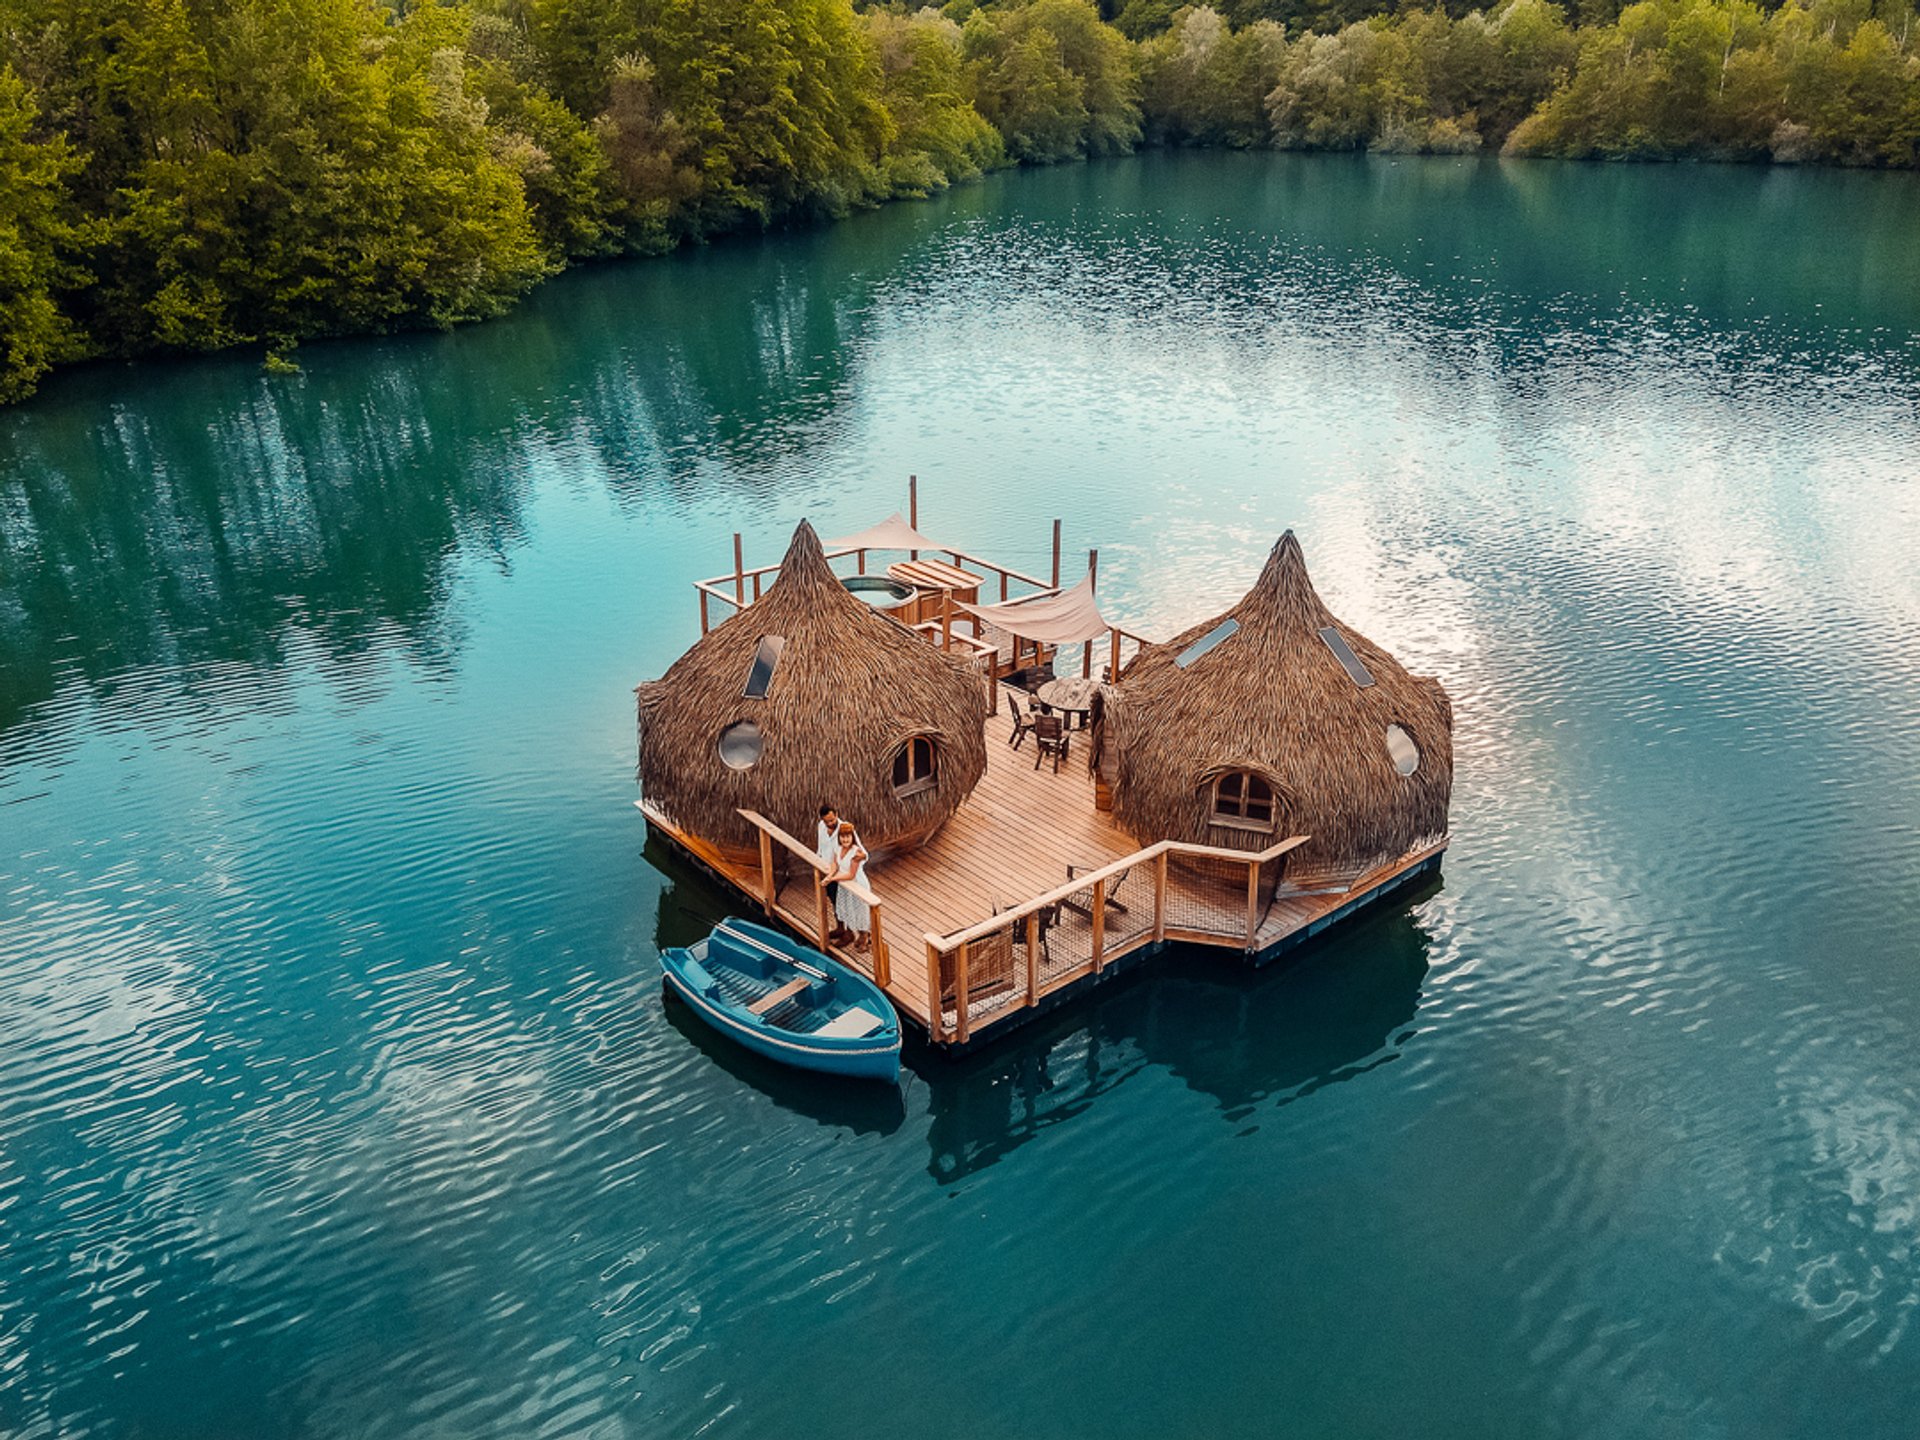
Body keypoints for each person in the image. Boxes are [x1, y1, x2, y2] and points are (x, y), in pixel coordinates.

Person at [830, 822, 873, 953]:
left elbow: (851, 874)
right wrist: (831, 874)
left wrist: (833, 878)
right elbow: (835, 863)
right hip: (845, 885)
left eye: (848, 836)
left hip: (856, 883)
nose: (845, 839)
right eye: (843, 837)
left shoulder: (856, 852)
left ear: (852, 837)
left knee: (860, 910)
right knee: (848, 909)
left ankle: (864, 937)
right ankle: (853, 934)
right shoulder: (838, 848)